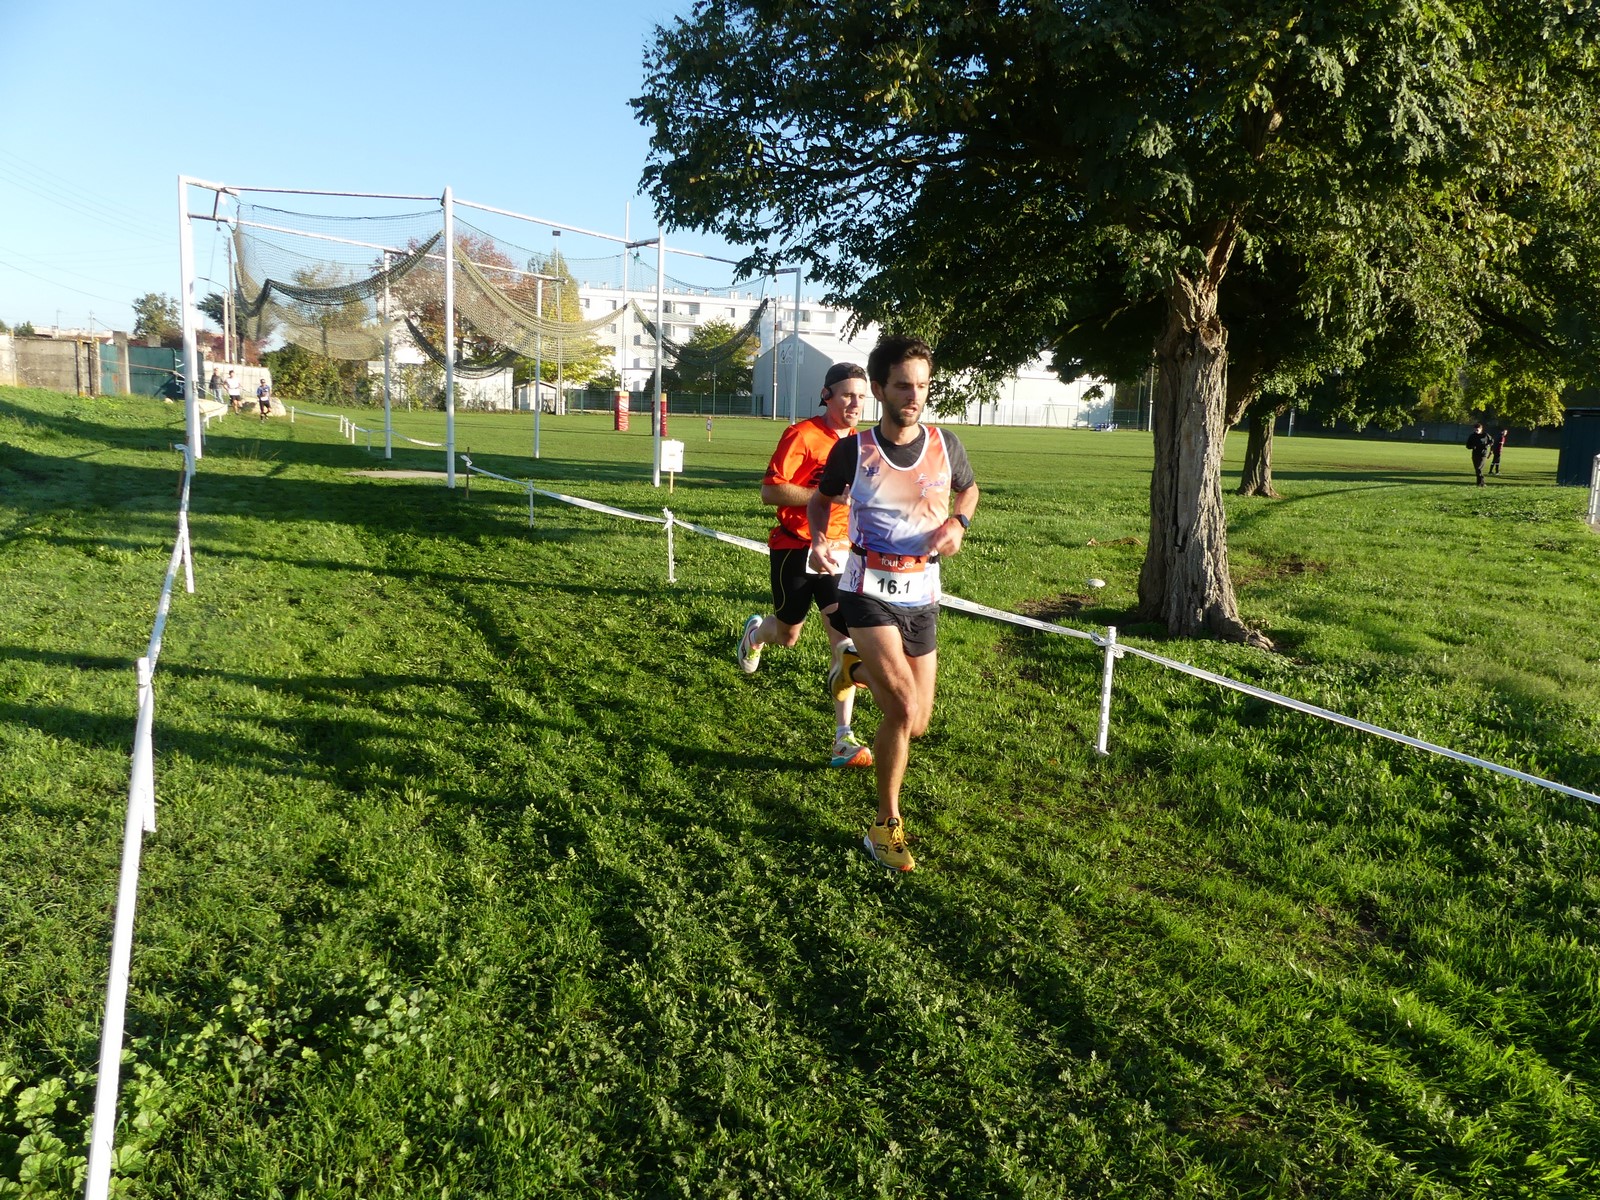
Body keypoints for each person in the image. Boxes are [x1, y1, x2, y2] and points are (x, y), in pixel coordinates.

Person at [807, 335, 979, 872]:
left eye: (923, 385)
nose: (915, 396)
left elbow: (969, 490)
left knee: (918, 722)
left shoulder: (946, 444)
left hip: (922, 594)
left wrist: (959, 522)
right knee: (901, 709)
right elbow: (820, 500)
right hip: (865, 590)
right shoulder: (852, 451)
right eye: (903, 385)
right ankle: (884, 825)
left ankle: (852, 667)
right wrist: (819, 539)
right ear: (879, 390)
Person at [737, 363, 874, 769]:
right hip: (794, 547)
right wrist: (825, 496)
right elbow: (770, 491)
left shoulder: (864, 443)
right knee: (788, 634)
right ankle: (756, 634)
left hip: (840, 552)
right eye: (847, 394)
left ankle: (843, 738)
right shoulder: (802, 434)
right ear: (827, 395)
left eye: (861, 396)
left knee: (844, 645)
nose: (855, 403)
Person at [1466, 421, 1493, 486]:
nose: (1476, 431)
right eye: (1475, 429)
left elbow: (1491, 441)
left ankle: (1482, 482)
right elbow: (1468, 445)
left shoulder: (1485, 435)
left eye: (1477, 429)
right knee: (1477, 469)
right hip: (1475, 454)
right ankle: (1479, 483)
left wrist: (1488, 445)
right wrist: (1472, 447)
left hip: (1483, 454)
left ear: (1481, 429)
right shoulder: (1472, 436)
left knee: (1479, 468)